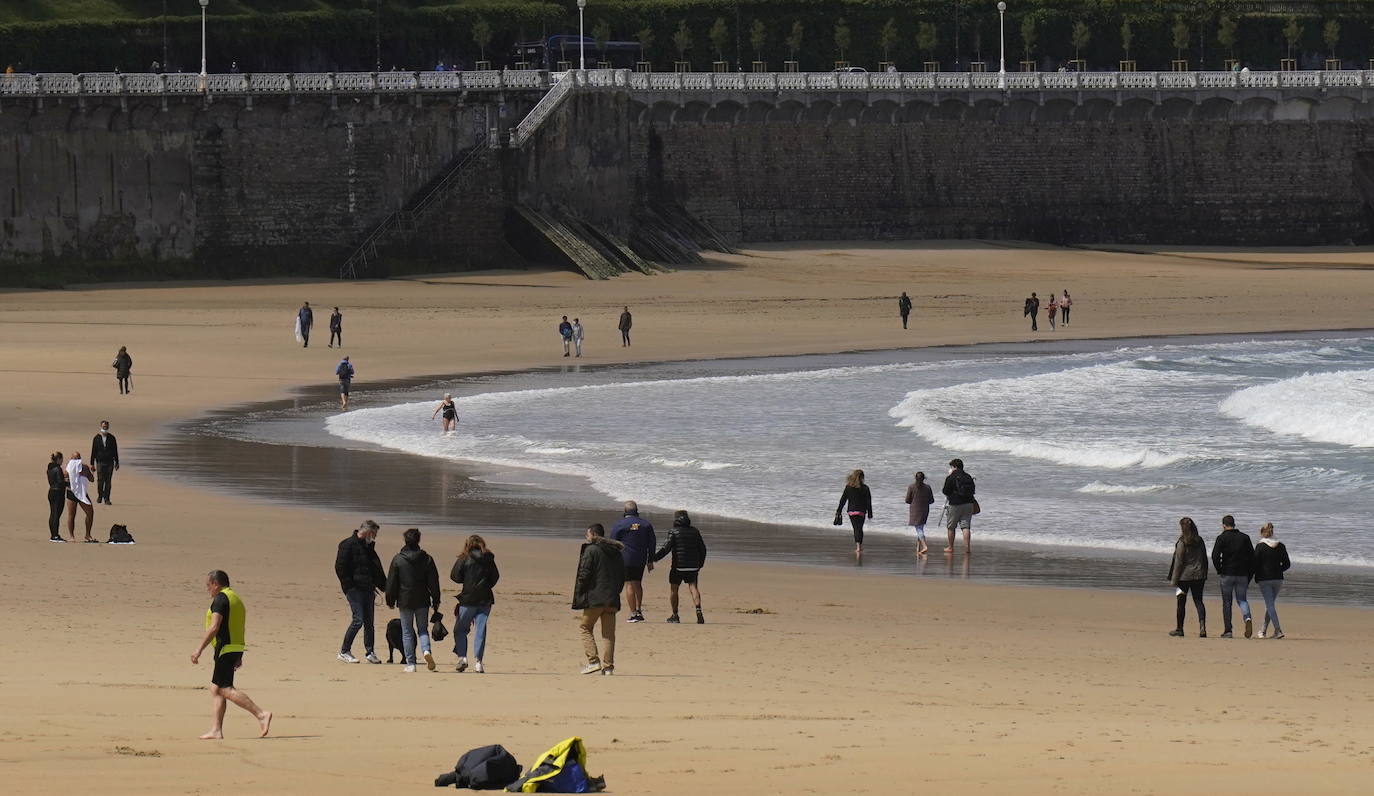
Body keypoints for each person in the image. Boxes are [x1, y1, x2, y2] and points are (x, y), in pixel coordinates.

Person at [190, 570, 272, 739]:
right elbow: (239, 626)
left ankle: (261, 714)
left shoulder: (220, 599)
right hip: (234, 647)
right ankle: (216, 730)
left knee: (224, 689)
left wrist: (199, 650)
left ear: (216, 584)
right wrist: (239, 654)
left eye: (208, 586)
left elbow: (214, 627)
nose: (208, 590)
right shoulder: (236, 598)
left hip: (225, 648)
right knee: (216, 688)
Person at [385, 528, 442, 672]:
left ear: (405, 540)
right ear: (418, 540)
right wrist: (436, 599)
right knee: (423, 630)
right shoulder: (427, 559)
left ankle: (411, 663)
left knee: (407, 631)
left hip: (404, 599)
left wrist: (390, 600)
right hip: (422, 599)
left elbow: (392, 582)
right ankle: (426, 651)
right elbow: (434, 581)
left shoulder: (398, 559)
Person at [573, 523, 626, 675]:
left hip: (595, 598)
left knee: (585, 628)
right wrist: (616, 591)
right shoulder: (616, 552)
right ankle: (608, 667)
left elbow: (584, 573)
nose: (586, 536)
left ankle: (593, 661)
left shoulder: (592, 550)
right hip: (611, 599)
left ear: (593, 535)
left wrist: (581, 592)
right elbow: (622, 576)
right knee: (608, 634)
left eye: (587, 534)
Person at [335, 520, 385, 664]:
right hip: (354, 590)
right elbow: (340, 567)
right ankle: (344, 651)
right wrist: (349, 586)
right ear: (368, 531)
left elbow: (376, 568)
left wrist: (384, 586)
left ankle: (370, 653)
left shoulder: (368, 547)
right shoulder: (347, 544)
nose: (375, 537)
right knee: (358, 620)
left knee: (369, 622)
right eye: (374, 534)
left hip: (368, 589)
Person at [450, 534, 500, 673]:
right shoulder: (489, 558)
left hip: (468, 598)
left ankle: (462, 658)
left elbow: (454, 576)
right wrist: (486, 585)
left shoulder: (464, 558)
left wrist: (466, 581)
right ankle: (478, 662)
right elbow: (495, 577)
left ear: (468, 544)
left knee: (460, 629)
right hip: (485, 599)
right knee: (480, 630)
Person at [652, 510, 708, 624]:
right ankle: (698, 611)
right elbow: (703, 549)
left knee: (674, 589)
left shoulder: (673, 531)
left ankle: (675, 615)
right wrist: (700, 564)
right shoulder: (695, 531)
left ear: (676, 519)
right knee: (693, 587)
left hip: (678, 567)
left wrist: (654, 558)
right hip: (693, 567)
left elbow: (666, 548)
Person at [610, 501, 656, 622]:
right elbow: (652, 544)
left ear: (625, 511)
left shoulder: (620, 524)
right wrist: (650, 560)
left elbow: (613, 543)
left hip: (625, 559)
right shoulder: (646, 525)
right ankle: (639, 609)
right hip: (640, 559)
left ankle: (633, 613)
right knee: (638, 583)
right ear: (636, 511)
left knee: (629, 585)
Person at [1211, 514, 1255, 639]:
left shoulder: (1221, 538)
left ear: (1224, 525)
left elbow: (1215, 556)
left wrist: (1219, 569)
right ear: (1234, 524)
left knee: (1227, 602)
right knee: (1242, 600)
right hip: (1242, 574)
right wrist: (1249, 574)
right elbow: (1252, 558)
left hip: (1227, 573)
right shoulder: (1245, 537)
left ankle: (1228, 631)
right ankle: (1247, 618)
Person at [1168, 517, 1209, 637]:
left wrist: (1174, 580)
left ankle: (1180, 629)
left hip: (1183, 578)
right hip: (1199, 576)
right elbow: (1204, 559)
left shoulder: (1182, 542)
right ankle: (1202, 627)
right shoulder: (1200, 540)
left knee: (1181, 602)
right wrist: (1204, 574)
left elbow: (1179, 562)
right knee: (1198, 601)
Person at [1253, 523, 1291, 639]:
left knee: (1269, 605)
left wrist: (1255, 575)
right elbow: (1287, 564)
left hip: (1264, 579)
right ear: (1272, 532)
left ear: (1262, 533)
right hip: (1278, 579)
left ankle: (1278, 630)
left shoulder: (1260, 546)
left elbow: (1255, 564)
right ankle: (1263, 631)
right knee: (1270, 605)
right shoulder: (1280, 545)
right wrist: (1278, 570)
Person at [834, 469, 873, 557]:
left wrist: (839, 510)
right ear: (862, 477)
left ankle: (858, 546)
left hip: (852, 511)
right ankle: (859, 546)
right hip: (861, 512)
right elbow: (868, 501)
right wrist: (870, 513)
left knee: (856, 528)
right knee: (859, 528)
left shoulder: (848, 487)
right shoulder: (865, 488)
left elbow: (843, 500)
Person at [940, 458, 976, 554]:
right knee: (966, 526)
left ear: (954, 467)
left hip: (955, 504)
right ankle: (967, 548)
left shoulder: (951, 477)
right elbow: (973, 490)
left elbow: (945, 491)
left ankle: (950, 547)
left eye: (951, 467)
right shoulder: (968, 476)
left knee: (951, 527)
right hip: (969, 503)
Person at [65, 452, 96, 542]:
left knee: (90, 513)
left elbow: (91, 479)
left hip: (81, 493)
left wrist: (90, 472)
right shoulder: (69, 468)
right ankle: (72, 536)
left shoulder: (83, 467)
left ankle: (87, 535)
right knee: (72, 515)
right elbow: (64, 476)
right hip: (72, 493)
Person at [904, 471, 934, 556]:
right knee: (920, 527)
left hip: (915, 510)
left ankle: (924, 546)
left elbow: (907, 500)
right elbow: (931, 500)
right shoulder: (928, 487)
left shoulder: (911, 487)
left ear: (915, 478)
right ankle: (918, 547)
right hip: (925, 509)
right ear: (924, 478)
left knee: (919, 529)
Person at [90, 420, 120, 505]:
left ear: (108, 427)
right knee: (100, 480)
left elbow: (115, 450)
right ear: (101, 427)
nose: (105, 428)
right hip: (100, 462)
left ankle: (107, 498)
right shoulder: (96, 438)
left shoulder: (112, 438)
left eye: (106, 427)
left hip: (110, 462)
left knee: (108, 481)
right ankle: (100, 496)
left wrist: (117, 462)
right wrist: (92, 463)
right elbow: (93, 451)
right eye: (103, 426)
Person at [47, 451, 68, 542]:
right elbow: (60, 482)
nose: (62, 461)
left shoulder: (49, 468)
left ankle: (54, 534)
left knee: (53, 514)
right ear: (59, 459)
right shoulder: (58, 468)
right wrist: (69, 483)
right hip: (58, 493)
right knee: (56, 514)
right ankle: (55, 535)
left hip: (51, 491)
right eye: (62, 459)